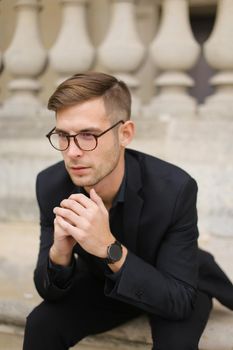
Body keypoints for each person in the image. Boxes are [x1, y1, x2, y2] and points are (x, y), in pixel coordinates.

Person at [23, 72, 233, 350]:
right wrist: (59, 255)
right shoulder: (51, 185)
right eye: (63, 135)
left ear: (125, 134)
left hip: (172, 283)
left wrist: (109, 248)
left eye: (88, 135)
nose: (72, 152)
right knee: (41, 325)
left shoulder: (174, 189)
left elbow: (179, 303)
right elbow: (48, 290)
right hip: (104, 285)